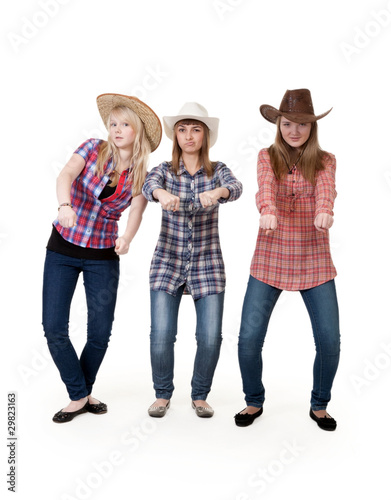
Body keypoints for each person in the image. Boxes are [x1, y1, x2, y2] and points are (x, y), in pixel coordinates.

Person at [42, 93, 162, 423]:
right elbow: (65, 175)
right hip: (63, 248)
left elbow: (137, 210)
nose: (117, 129)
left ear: (137, 132)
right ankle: (80, 394)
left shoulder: (141, 172)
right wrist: (64, 206)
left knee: (99, 333)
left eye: (125, 124)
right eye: (113, 123)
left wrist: (127, 237)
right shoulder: (93, 148)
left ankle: (81, 392)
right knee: (54, 329)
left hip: (103, 256)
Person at [235, 89, 340, 431]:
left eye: (302, 124)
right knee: (248, 339)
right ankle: (253, 401)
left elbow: (327, 188)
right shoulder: (267, 156)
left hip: (314, 258)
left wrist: (325, 210)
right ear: (278, 124)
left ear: (312, 127)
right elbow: (264, 187)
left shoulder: (326, 160)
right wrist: (267, 210)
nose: (294, 130)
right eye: (287, 123)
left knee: (329, 339)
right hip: (270, 257)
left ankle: (319, 404)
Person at [142, 102, 243, 418]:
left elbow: (236, 187)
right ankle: (162, 395)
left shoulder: (218, 170)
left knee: (210, 337)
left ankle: (200, 395)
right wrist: (161, 195)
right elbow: (147, 185)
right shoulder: (164, 171)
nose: (189, 135)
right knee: (161, 335)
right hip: (166, 262)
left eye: (196, 129)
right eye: (183, 129)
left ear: (205, 135)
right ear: (176, 135)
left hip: (207, 264)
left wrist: (219, 193)